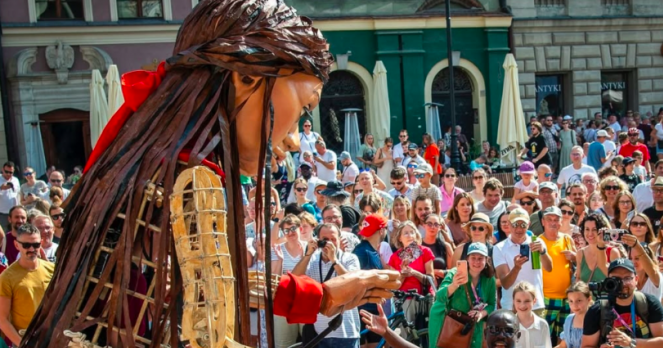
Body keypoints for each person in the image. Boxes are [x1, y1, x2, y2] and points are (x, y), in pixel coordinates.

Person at [291, 223, 361, 348]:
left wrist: (334, 260)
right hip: (318, 332)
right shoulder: (311, 260)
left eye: (333, 239)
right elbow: (294, 278)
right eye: (325, 240)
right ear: (318, 240)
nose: (329, 243)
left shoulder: (350, 258)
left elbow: (353, 284)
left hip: (345, 331)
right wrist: (308, 254)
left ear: (340, 239)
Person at [581, 259, 663, 348]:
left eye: (627, 278)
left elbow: (661, 342)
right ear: (608, 281)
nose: (622, 283)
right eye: (616, 279)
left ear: (636, 280)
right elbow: (586, 345)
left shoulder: (649, 303)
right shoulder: (597, 310)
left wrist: (631, 342)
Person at [429, 242, 497, 348]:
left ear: (486, 260)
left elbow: (492, 304)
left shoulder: (490, 279)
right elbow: (439, 296)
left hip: (473, 325)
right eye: (473, 257)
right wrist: (454, 284)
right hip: (449, 323)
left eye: (480, 258)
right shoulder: (455, 273)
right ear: (467, 259)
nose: (477, 262)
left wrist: (481, 314)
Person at [0, 223, 55, 347]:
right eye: (26, 245)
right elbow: (2, 320)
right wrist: (23, 344)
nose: (31, 249)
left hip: (50, 338)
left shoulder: (52, 269)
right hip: (24, 340)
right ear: (16, 245)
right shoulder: (6, 277)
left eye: (35, 244)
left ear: (40, 243)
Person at [493, 208, 552, 316]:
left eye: (523, 225)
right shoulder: (499, 248)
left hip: (535, 304)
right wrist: (516, 268)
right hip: (511, 306)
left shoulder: (537, 242)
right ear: (509, 225)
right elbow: (505, 284)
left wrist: (542, 252)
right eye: (515, 225)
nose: (519, 229)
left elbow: (549, 268)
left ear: (528, 224)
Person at [539, 206, 576, 345]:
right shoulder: (538, 241)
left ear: (561, 222)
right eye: (549, 219)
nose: (553, 222)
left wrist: (574, 257)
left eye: (556, 219)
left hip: (567, 298)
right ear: (543, 221)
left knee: (564, 338)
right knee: (544, 337)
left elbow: (576, 265)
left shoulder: (567, 239)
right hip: (546, 298)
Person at [353, 214, 388, 348]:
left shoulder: (369, 250)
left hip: (370, 309)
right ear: (381, 231)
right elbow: (359, 281)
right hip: (363, 311)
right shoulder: (363, 252)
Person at [575, 214, 616, 284]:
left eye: (594, 229)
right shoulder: (580, 253)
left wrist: (601, 243)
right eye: (587, 229)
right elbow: (578, 279)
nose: (590, 233)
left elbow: (615, 280)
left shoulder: (612, 252)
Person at [623, 233, 662, 300]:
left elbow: (652, 270)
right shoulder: (626, 280)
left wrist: (637, 246)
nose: (633, 262)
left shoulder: (656, 277)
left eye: (637, 258)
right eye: (630, 258)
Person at [513, 281, 553, 348]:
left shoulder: (542, 325)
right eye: (518, 301)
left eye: (527, 301)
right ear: (513, 301)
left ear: (534, 301)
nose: (522, 305)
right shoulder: (508, 326)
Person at [557, 282, 593, 348]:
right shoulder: (569, 319)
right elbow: (563, 345)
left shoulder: (596, 319)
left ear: (589, 299)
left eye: (579, 301)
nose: (574, 306)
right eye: (571, 301)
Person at [421, 214, 454, 284]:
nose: (432, 227)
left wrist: (434, 272)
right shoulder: (417, 246)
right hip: (422, 286)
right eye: (429, 224)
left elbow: (453, 271)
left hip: (443, 286)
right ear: (424, 225)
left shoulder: (446, 247)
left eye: (436, 224)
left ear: (440, 227)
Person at [0, 162, 19, 231]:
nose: (8, 174)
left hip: (14, 212)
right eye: (6, 172)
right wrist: (2, 188)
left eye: (10, 172)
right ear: (2, 170)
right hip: (2, 214)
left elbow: (17, 193)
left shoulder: (15, 180)